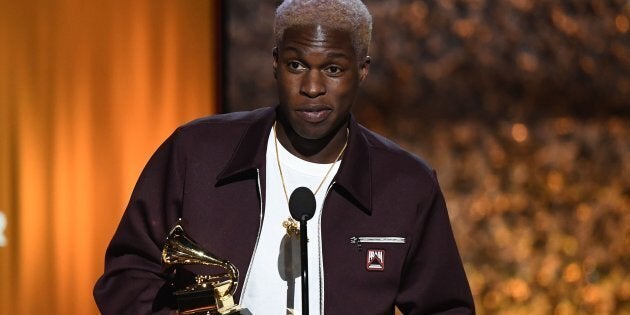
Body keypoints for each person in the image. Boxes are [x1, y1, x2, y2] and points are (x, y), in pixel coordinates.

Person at [94, 0, 475, 314]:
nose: (311, 87)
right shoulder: (195, 154)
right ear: (275, 63)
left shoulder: (406, 185)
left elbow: (446, 308)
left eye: (333, 69)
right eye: (296, 65)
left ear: (362, 71)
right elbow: (127, 276)